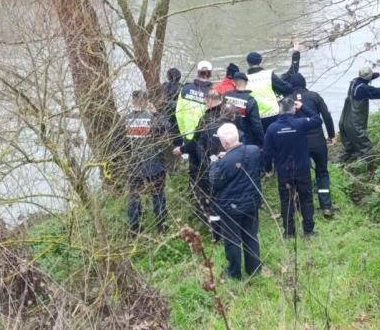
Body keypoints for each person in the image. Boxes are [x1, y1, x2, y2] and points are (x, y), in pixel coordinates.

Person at [263, 97, 324, 238]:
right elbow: (317, 119)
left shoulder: (272, 128)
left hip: (284, 172)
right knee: (306, 199)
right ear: (293, 109)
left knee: (286, 201)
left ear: (279, 110)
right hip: (302, 169)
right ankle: (308, 231)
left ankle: (289, 232)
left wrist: (267, 169)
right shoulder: (301, 123)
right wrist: (303, 107)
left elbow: (267, 152)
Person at [210, 123, 264, 280]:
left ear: (225, 143)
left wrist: (214, 163)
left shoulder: (224, 162)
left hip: (231, 207)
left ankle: (234, 272)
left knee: (232, 240)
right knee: (251, 235)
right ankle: (254, 268)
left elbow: (215, 182)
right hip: (252, 202)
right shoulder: (254, 151)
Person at [109, 90, 169, 232]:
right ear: (145, 101)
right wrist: (155, 112)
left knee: (134, 195)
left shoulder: (125, 119)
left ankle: (134, 226)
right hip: (153, 163)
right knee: (158, 193)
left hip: (134, 164)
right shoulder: (151, 118)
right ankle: (161, 225)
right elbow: (166, 127)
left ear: (133, 101)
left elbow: (117, 142)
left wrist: (127, 156)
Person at [173, 90, 225, 240]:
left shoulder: (205, 119)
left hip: (210, 164)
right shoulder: (230, 114)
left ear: (208, 101)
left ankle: (211, 227)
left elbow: (195, 142)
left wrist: (181, 149)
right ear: (220, 98)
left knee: (208, 195)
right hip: (231, 161)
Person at [289, 71, 336, 217]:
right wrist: (331, 135)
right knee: (322, 172)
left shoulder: (287, 99)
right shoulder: (315, 96)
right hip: (318, 142)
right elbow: (326, 116)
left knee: (299, 174)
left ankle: (300, 205)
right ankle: (326, 206)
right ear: (305, 84)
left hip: (299, 143)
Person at [339, 66, 380, 163]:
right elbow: (378, 92)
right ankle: (369, 165)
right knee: (366, 148)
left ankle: (343, 163)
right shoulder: (363, 89)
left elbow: (366, 78)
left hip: (344, 122)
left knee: (349, 148)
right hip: (354, 124)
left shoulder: (354, 82)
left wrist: (379, 74)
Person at [244, 49, 295, 127]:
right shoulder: (268, 74)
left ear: (248, 63)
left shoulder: (244, 79)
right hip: (273, 114)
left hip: (256, 118)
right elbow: (286, 88)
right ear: (260, 61)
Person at [174, 60, 215, 141]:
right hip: (206, 137)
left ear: (197, 72)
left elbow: (179, 114)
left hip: (188, 135)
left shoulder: (185, 89)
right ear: (210, 74)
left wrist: (183, 133)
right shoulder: (214, 92)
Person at [222, 72, 265, 147]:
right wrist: (263, 141)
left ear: (234, 82)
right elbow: (256, 125)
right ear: (246, 83)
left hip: (226, 136)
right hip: (245, 138)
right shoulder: (250, 100)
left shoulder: (226, 96)